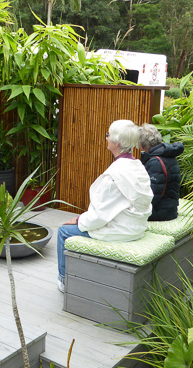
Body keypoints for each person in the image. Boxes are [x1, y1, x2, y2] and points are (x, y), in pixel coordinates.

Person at [56, 120, 153, 293]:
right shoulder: (138, 167)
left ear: (116, 143)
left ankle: (64, 281)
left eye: (107, 135)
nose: (106, 138)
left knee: (64, 231)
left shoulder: (115, 174)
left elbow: (99, 216)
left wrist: (79, 220)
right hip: (138, 227)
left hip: (121, 230)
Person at [139, 123, 184, 222]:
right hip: (170, 210)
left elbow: (152, 195)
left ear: (142, 146)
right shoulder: (168, 155)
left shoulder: (155, 162)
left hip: (161, 213)